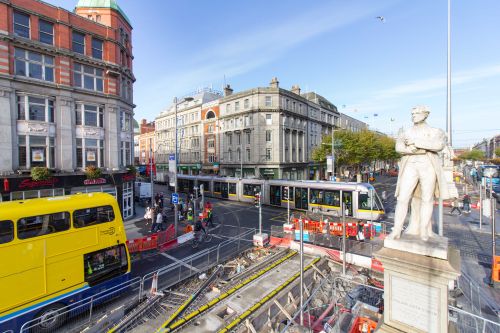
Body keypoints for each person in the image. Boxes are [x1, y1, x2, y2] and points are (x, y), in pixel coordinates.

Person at [387, 106, 450, 241]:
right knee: (402, 198)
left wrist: (417, 143)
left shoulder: (435, 131)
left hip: (428, 166)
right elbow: (399, 148)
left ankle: (423, 230)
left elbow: (438, 145)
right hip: (410, 164)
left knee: (427, 199)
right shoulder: (405, 132)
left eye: (416, 113)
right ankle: (397, 229)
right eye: (412, 113)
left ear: (425, 115)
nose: (413, 115)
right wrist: (415, 150)